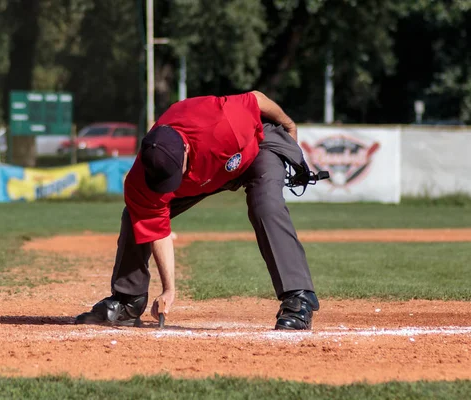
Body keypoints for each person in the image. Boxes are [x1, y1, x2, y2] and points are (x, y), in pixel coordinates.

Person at [75, 91, 319, 330]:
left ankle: (299, 297)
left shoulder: (226, 122)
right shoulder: (141, 178)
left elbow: (255, 98)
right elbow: (155, 228)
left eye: (171, 176)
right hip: (206, 172)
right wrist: (169, 289)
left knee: (265, 204)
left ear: (186, 151)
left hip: (256, 147)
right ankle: (128, 300)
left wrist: (289, 124)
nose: (165, 184)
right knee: (135, 216)